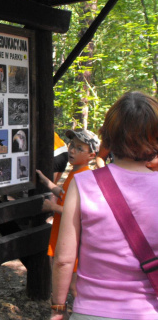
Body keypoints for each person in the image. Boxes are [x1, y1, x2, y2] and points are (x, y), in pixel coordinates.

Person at [50, 91, 158, 320]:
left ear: (108, 136)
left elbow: (63, 259)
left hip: (92, 310)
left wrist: (58, 308)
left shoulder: (83, 184)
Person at [37, 128, 100, 297]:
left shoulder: (86, 177)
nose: (72, 150)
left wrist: (53, 207)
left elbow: (80, 213)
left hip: (73, 240)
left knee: (74, 287)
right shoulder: (75, 173)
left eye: (80, 148)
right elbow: (64, 194)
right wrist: (46, 182)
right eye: (72, 145)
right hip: (62, 233)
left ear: (91, 156)